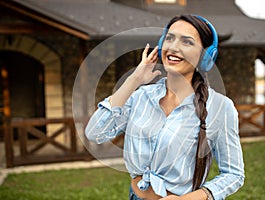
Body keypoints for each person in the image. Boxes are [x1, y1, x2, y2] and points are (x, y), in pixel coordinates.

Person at [85, 14, 245, 200]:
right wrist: (134, 79)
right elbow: (95, 133)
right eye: (169, 38)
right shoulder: (140, 96)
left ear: (206, 56)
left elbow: (234, 174)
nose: (173, 47)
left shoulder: (220, 107)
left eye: (187, 42)